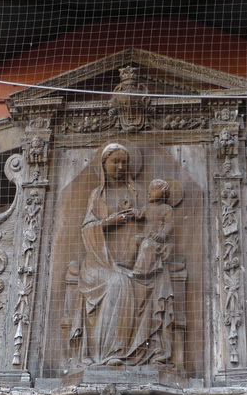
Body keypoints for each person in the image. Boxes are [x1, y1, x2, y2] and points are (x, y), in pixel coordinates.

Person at [71, 144, 174, 367]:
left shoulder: (139, 193)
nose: (120, 166)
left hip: (134, 260)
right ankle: (108, 353)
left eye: (123, 162)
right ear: (104, 164)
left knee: (153, 279)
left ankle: (144, 352)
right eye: (114, 162)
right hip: (99, 263)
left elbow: (151, 225)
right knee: (119, 282)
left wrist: (157, 241)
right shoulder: (98, 195)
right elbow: (87, 230)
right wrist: (110, 222)